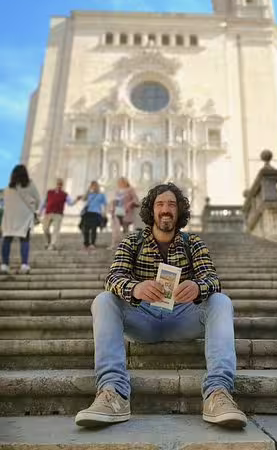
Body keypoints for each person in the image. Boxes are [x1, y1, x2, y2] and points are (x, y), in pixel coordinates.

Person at [75, 182, 247, 429]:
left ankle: (217, 394)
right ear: (151, 210)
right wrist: (136, 288)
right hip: (142, 319)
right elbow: (113, 278)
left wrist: (198, 288)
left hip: (183, 319)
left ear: (179, 211)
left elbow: (212, 279)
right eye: (160, 204)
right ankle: (113, 393)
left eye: (171, 204)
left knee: (221, 301)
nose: (165, 209)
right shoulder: (132, 241)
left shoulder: (193, 242)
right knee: (103, 300)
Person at [0, 164, 40, 274]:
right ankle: (24, 264)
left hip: (10, 216)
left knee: (7, 239)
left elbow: (5, 203)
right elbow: (37, 199)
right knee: (24, 239)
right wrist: (34, 209)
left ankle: (4, 264)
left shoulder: (8, 188)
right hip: (25, 216)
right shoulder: (30, 185)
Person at [40, 178, 81, 250]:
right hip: (48, 213)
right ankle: (49, 242)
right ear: (55, 184)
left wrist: (76, 199)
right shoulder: (49, 192)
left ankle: (52, 244)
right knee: (45, 229)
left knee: (56, 230)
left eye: (60, 184)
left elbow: (70, 203)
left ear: (62, 185)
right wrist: (40, 211)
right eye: (58, 184)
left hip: (58, 214)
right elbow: (44, 202)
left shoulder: (64, 194)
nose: (59, 185)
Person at [109, 177, 139, 249]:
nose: (120, 183)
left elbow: (135, 199)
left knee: (125, 228)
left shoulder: (130, 189)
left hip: (126, 211)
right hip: (117, 210)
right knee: (116, 227)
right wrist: (112, 207)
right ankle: (115, 244)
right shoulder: (117, 191)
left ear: (126, 182)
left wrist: (130, 203)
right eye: (119, 182)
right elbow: (114, 200)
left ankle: (126, 244)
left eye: (122, 182)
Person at [79, 181, 107, 250]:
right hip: (88, 213)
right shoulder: (89, 194)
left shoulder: (101, 195)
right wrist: (88, 190)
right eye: (92, 186)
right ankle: (86, 243)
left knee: (94, 229)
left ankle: (92, 244)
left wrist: (104, 213)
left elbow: (105, 204)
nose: (94, 187)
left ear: (98, 186)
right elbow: (83, 199)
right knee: (85, 229)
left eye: (95, 186)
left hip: (96, 213)